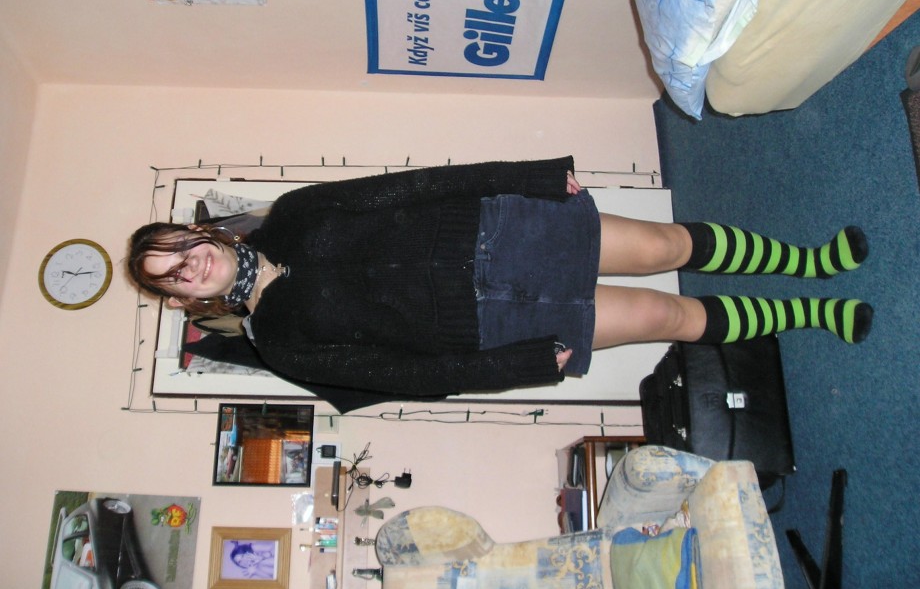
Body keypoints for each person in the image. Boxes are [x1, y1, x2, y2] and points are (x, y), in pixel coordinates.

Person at [127, 157, 873, 411]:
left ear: (196, 233)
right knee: (664, 316)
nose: (188, 265)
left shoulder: (293, 212)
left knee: (664, 245)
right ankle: (812, 315)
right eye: (173, 277)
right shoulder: (279, 342)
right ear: (183, 299)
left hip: (498, 230)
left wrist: (531, 178)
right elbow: (405, 377)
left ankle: (809, 262)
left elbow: (414, 185)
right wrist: (517, 366)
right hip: (490, 327)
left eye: (178, 249)